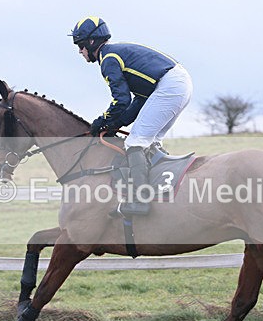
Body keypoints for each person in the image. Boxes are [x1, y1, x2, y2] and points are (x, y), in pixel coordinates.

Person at [70, 16, 193, 216]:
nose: (79, 51)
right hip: (176, 84)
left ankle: (140, 201)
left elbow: (121, 101)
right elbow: (140, 100)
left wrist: (102, 121)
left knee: (135, 142)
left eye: (80, 45)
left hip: (170, 85)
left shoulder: (108, 60)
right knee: (150, 141)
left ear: (91, 42)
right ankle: (160, 192)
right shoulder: (114, 53)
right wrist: (116, 122)